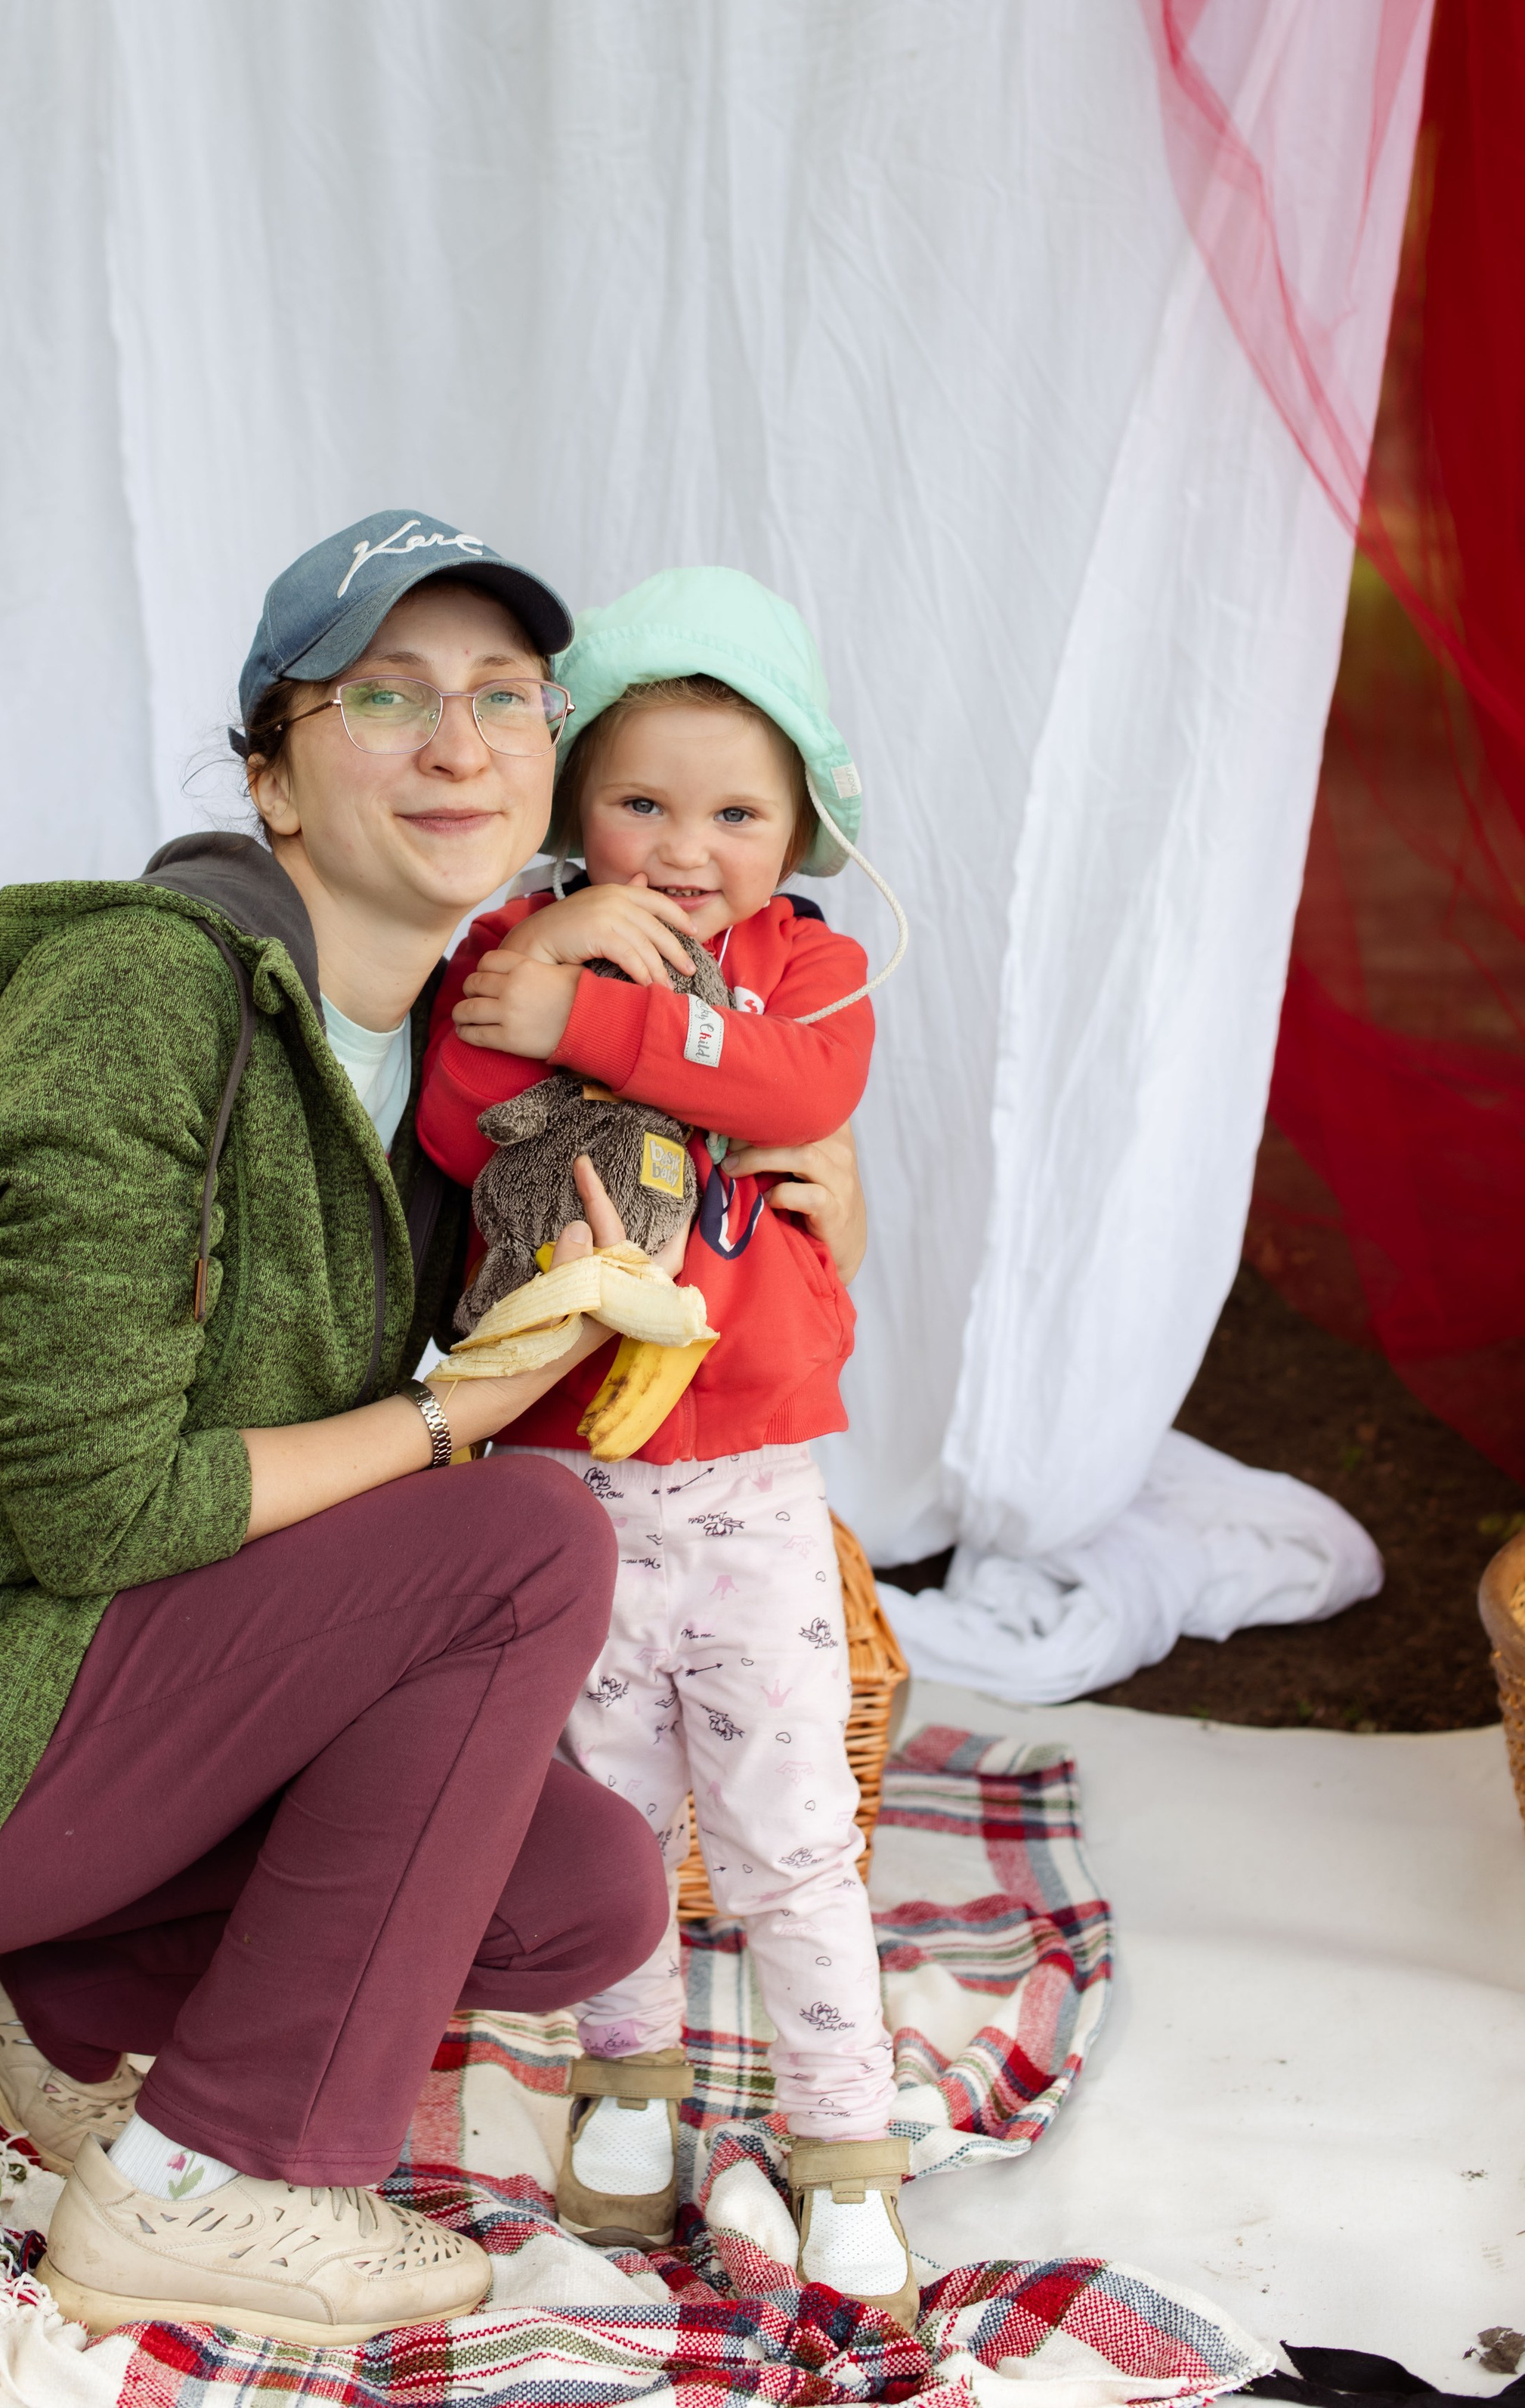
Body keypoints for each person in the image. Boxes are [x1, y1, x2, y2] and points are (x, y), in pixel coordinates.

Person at [0, 512, 682, 2350]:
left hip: (75, 1711)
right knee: (522, 1542)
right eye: (383, 697)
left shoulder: (458, 1079)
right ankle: (209, 2177)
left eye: (501, 697)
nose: (454, 741)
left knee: (578, 1894)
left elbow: (381, 1557)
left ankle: (38, 1994)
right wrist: (450, 1413)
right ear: (273, 778)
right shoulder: (146, 994)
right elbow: (98, 1501)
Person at [417, 565, 917, 2326]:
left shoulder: (810, 969)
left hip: (751, 1491)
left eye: (732, 810)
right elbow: (463, 1115)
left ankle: (844, 2147)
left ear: (794, 829)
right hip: (569, 1494)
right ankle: (629, 2090)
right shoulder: (522, 944)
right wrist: (545, 964)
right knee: (609, 1824)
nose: (684, 845)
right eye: (639, 801)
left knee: (790, 1835)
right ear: (573, 813)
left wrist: (597, 1028)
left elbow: (788, 1093)